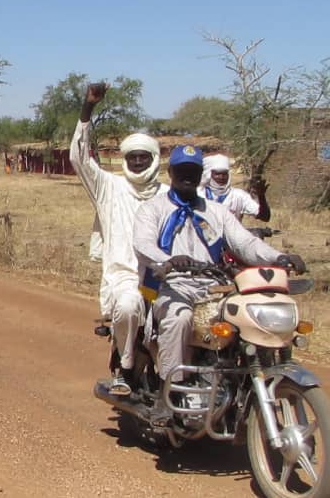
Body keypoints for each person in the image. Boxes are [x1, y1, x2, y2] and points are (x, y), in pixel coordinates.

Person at [133, 145, 304, 425]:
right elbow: (142, 244)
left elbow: (245, 242)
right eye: (182, 171)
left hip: (216, 288)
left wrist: (279, 257)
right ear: (171, 172)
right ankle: (168, 392)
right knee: (180, 318)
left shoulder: (216, 211)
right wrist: (168, 260)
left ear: (201, 174)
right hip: (172, 287)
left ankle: (244, 380)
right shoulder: (153, 209)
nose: (187, 176)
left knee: (249, 317)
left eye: (193, 171)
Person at [70, 83, 168, 396]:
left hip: (166, 278)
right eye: (132, 157)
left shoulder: (168, 195)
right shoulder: (109, 188)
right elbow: (79, 158)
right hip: (126, 276)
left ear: (153, 159)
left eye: (143, 157)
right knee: (128, 307)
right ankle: (125, 368)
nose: (138, 162)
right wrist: (88, 109)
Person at [200, 154, 271, 222]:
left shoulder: (238, 196)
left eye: (224, 174)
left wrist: (261, 196)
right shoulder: (199, 194)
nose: (221, 177)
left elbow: (265, 217)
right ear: (209, 174)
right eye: (217, 174)